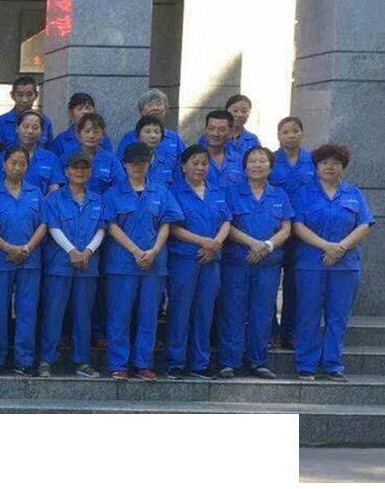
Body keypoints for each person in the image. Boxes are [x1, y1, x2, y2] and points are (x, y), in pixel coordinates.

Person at [291, 144, 374, 382]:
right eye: (324, 163)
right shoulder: (304, 193)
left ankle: (332, 364)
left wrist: (340, 248)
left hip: (345, 266)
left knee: (338, 315)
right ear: (316, 167)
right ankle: (306, 364)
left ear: (343, 167)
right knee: (308, 313)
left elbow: (364, 224)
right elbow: (298, 226)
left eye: (336, 163)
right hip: (311, 264)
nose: (330, 167)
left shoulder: (353, 193)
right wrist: (327, 246)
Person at [103, 144, 183, 381]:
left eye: (142, 162)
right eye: (133, 162)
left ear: (149, 164)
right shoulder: (113, 193)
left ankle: (143, 363)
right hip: (122, 264)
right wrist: (135, 251)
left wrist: (155, 250)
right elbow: (111, 226)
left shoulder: (161, 192)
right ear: (125, 164)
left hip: (153, 264)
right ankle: (119, 364)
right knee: (120, 315)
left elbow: (167, 223)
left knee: (148, 315)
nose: (138, 166)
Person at [223, 146, 293, 379]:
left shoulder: (279, 195)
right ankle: (229, 361)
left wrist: (267, 247)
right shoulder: (231, 193)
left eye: (262, 161)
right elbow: (225, 225)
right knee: (232, 311)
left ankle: (258, 361)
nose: (257, 165)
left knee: (262, 313)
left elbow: (286, 228)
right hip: (237, 262)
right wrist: (252, 243)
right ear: (244, 167)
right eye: (252, 161)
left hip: (268, 265)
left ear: (270, 167)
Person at [166, 146, 232, 380]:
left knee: (205, 311)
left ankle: (200, 363)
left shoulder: (217, 191)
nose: (200, 167)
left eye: (204, 163)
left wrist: (216, 243)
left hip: (212, 260)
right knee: (180, 310)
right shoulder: (174, 192)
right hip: (184, 259)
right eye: (195, 163)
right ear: (183, 166)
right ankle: (175, 361)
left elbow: (226, 221)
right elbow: (172, 227)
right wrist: (203, 242)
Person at [40, 153, 106, 378]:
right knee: (53, 313)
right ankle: (46, 360)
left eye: (84, 168)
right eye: (75, 168)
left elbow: (101, 228)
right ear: (67, 172)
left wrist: (88, 251)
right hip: (60, 264)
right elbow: (52, 226)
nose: (80, 172)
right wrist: (71, 251)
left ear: (90, 172)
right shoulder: (54, 198)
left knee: (83, 315)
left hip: (87, 265)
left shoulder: (97, 199)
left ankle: (82, 361)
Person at [0, 147, 47, 376]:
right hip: (0, 259)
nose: (17, 167)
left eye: (22, 163)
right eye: (13, 163)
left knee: (27, 310)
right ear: (4, 165)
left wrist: (27, 248)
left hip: (30, 260)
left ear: (27, 167)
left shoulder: (35, 193)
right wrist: (8, 248)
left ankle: (24, 360)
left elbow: (43, 224)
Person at [271, 116, 313, 347]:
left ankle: (289, 331)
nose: (291, 135)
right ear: (278, 136)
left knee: (294, 282)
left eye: (295, 131)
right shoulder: (270, 160)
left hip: (302, 230)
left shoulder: (312, 161)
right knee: (268, 281)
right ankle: (270, 330)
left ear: (302, 133)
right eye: (285, 132)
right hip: (274, 228)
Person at [0, 110, 58, 192]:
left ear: (42, 131)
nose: (30, 131)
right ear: (17, 128)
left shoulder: (51, 158)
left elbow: (54, 191)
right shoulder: (2, 158)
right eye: (25, 126)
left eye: (35, 128)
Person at [53, 113, 119, 195]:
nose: (91, 136)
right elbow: (56, 187)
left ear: (103, 135)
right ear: (78, 134)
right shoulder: (66, 158)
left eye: (96, 132)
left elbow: (119, 187)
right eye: (87, 131)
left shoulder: (111, 160)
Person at [0, 76, 53, 157]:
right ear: (12, 95)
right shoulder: (0, 122)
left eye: (29, 95)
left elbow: (49, 151)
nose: (25, 100)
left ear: (36, 95)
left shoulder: (45, 122)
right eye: (20, 95)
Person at [117, 88, 185, 158]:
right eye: (150, 105)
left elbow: (184, 162)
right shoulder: (129, 138)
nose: (155, 108)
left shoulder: (175, 139)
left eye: (158, 104)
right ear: (141, 111)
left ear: (165, 110)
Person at [48, 93, 113, 158]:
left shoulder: (103, 139)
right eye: (80, 108)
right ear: (71, 112)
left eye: (88, 108)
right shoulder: (61, 140)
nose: (85, 112)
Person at [132, 115, 178, 187]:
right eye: (147, 132)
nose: (153, 136)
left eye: (157, 132)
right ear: (137, 135)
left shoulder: (167, 162)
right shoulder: (130, 162)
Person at [201, 110, 243, 186]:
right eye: (211, 128)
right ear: (205, 130)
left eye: (222, 130)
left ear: (231, 132)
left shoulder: (239, 160)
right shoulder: (193, 160)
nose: (215, 134)